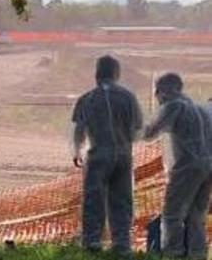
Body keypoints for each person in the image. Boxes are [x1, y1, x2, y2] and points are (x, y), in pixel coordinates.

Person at [71, 55, 143, 254]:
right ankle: (121, 244)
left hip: (97, 156)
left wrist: (77, 151)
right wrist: (125, 142)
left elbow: (79, 129)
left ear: (97, 74)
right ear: (116, 74)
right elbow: (138, 128)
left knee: (94, 199)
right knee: (121, 199)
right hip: (123, 155)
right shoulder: (128, 97)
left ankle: (92, 242)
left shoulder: (87, 99)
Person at [144, 73, 212, 259]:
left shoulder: (173, 106)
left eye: (157, 93)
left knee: (172, 214)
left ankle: (173, 253)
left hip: (186, 167)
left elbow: (149, 132)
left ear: (162, 92)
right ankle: (197, 253)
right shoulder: (197, 107)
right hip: (207, 166)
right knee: (196, 214)